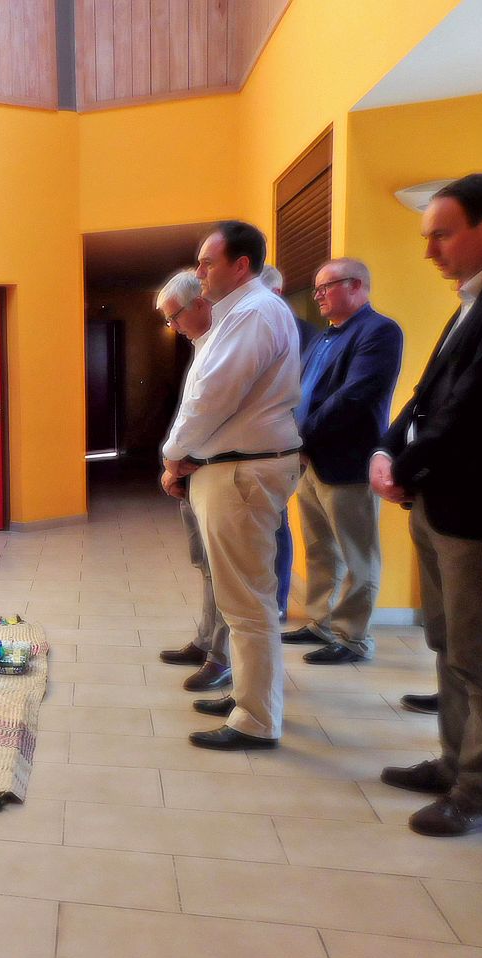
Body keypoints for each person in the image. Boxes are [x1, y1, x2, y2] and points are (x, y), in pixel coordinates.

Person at [372, 173, 482, 837]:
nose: (429, 251)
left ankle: (480, 789)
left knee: (481, 656)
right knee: (448, 643)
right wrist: (387, 449)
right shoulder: (468, 301)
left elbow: (473, 409)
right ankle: (454, 762)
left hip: (477, 511)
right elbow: (425, 396)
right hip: (437, 501)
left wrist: (405, 464)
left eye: (441, 234)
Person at [161, 221, 301, 751]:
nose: (199, 273)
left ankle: (256, 719)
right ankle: (247, 694)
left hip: (242, 471)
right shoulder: (236, 314)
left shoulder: (253, 312)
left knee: (246, 603)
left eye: (207, 263)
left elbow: (211, 400)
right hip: (229, 468)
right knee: (237, 598)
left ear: (241, 265)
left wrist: (174, 458)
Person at [281, 259, 403, 665]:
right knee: (319, 549)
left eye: (325, 286)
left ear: (357, 286)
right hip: (312, 459)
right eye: (316, 287)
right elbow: (303, 391)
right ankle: (319, 622)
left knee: (357, 554)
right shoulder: (322, 338)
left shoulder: (379, 332)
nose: (317, 295)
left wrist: (301, 435)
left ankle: (352, 638)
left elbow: (354, 397)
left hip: (349, 461)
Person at [154, 271, 231, 694]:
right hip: (195, 474)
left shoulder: (227, 342)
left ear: (201, 303)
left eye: (176, 316)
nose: (174, 327)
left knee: (224, 574)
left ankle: (222, 657)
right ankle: (206, 640)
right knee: (205, 566)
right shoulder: (203, 345)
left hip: (214, 473)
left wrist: (173, 459)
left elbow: (206, 411)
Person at [262, 265, 319, 621]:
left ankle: (279, 601)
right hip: (258, 445)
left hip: (289, 444)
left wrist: (300, 442)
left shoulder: (309, 336)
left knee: (278, 524)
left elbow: (308, 394)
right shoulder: (251, 331)